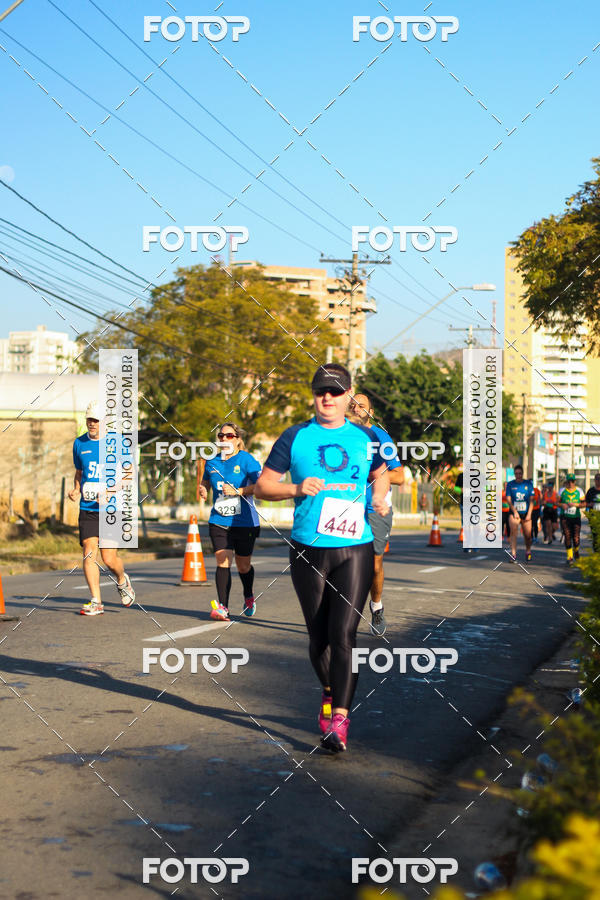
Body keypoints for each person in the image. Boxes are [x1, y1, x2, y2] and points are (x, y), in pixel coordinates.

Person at [254, 363, 390, 753]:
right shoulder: (294, 437)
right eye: (320, 392)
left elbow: (381, 473)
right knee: (318, 638)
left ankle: (341, 721)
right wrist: (295, 487)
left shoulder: (366, 438)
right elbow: (264, 485)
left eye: (334, 391)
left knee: (344, 635)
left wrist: (378, 496)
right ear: (313, 395)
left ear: (349, 395)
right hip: (307, 546)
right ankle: (330, 692)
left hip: (355, 546)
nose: (327, 398)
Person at [69, 402, 136, 616]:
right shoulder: (79, 444)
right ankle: (96, 601)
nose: (92, 424)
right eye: (89, 420)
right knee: (89, 552)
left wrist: (111, 490)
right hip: (87, 507)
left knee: (108, 559)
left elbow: (129, 474)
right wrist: (76, 489)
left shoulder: (117, 442)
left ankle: (121, 579)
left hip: (111, 509)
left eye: (96, 421)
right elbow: (80, 472)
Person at [346, 393, 405, 637]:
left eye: (361, 405)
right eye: (352, 405)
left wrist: (373, 475)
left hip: (374, 509)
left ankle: (376, 606)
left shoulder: (380, 437)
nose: (356, 408)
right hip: (344, 508)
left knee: (373, 563)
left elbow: (399, 476)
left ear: (370, 412)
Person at [199, 422, 261, 620]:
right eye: (221, 436)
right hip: (219, 519)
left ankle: (248, 595)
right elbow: (205, 481)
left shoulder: (247, 460)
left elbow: (260, 485)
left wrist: (239, 491)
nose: (224, 439)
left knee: (243, 566)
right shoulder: (212, 461)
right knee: (223, 561)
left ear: (238, 439)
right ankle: (222, 607)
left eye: (229, 436)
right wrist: (203, 489)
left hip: (244, 522)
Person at [505, 464, 534, 562]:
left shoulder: (528, 484)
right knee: (513, 532)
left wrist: (529, 514)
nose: (518, 475)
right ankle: (513, 554)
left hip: (526, 512)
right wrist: (514, 511)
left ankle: (528, 550)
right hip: (514, 512)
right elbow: (508, 500)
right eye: (516, 474)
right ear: (514, 474)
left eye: (520, 473)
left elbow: (531, 500)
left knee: (528, 535)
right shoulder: (510, 484)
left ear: (522, 473)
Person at [559, 473, 585, 565]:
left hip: (576, 517)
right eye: (569, 481)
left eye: (572, 481)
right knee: (567, 536)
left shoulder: (579, 491)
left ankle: (576, 551)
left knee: (576, 538)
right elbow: (556, 503)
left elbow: (584, 504)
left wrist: (576, 505)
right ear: (566, 482)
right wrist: (562, 505)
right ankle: (569, 557)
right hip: (565, 517)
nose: (571, 483)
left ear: (575, 481)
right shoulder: (562, 491)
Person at [585, 473, 600, 552]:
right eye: (597, 479)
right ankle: (596, 552)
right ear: (595, 480)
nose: (599, 481)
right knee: (595, 535)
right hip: (593, 517)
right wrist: (589, 504)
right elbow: (585, 503)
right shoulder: (591, 491)